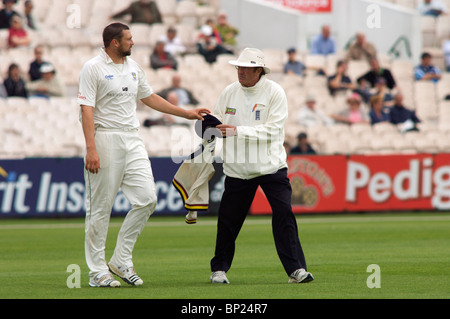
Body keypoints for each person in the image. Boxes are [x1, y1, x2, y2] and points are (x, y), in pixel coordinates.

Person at [77, 22, 209, 288]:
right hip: (105, 138)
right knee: (100, 208)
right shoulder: (93, 68)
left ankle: (121, 260)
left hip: (132, 138)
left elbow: (149, 98)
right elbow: (86, 110)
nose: (133, 42)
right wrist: (91, 148)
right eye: (128, 38)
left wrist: (187, 113)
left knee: (147, 199)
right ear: (115, 42)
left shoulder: (134, 67)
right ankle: (97, 271)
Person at [210, 48, 314, 285]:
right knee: (228, 221)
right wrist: (208, 127)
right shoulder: (229, 92)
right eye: (239, 67)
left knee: (284, 214)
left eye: (246, 68)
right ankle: (218, 270)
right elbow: (216, 123)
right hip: (237, 170)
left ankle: (296, 270)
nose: (241, 72)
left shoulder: (274, 92)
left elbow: (273, 130)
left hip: (271, 168)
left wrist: (237, 130)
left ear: (259, 70)